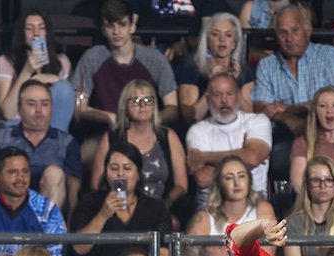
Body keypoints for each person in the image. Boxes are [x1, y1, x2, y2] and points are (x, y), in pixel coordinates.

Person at [68, 142, 172, 256]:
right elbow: (78, 249)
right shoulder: (90, 202)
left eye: (127, 168)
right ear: (106, 173)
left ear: (138, 174)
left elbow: (164, 254)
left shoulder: (156, 208)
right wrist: (103, 215)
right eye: (114, 168)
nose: (120, 174)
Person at [72, 0, 179, 129]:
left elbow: (172, 108)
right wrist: (108, 117)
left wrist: (150, 121)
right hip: (104, 131)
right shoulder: (92, 58)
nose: (116, 31)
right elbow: (80, 107)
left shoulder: (155, 60)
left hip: (148, 130)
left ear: (132, 26)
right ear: (103, 29)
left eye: (122, 24)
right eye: (110, 26)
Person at [91, 79, 188, 213]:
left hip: (161, 208)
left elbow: (181, 185)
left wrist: (166, 204)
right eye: (136, 101)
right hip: (121, 208)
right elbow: (97, 184)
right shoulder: (111, 138)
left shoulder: (168, 136)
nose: (142, 105)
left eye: (148, 100)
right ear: (125, 106)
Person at [0, 80, 82, 213]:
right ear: (19, 109)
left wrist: (73, 228)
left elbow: (73, 191)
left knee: (54, 173)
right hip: (9, 204)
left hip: (49, 204)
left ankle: (46, 230)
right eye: (31, 104)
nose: (38, 110)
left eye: (44, 104)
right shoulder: (0, 139)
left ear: (51, 108)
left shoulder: (67, 143)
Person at [251, 5, 334, 137]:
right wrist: (289, 119)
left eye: (295, 31)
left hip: (326, 133)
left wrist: (286, 109)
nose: (289, 39)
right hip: (285, 135)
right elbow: (262, 109)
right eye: (283, 32)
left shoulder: (328, 55)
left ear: (308, 31)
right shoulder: (267, 65)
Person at [183, 156, 276, 256]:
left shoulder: (263, 210)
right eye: (229, 177)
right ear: (219, 184)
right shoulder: (203, 219)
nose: (237, 183)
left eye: (241, 176)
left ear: (249, 180)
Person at [185, 73, 272, 210]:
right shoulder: (197, 131)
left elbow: (253, 157)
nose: (224, 100)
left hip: (253, 205)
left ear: (238, 97)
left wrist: (204, 157)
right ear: (208, 100)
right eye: (217, 95)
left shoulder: (257, 121)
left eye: (229, 94)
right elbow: (203, 178)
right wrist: (244, 158)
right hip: (211, 207)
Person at [0, 10, 75, 131]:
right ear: (22, 33)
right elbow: (8, 113)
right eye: (29, 29)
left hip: (51, 128)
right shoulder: (6, 61)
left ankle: (54, 142)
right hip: (16, 126)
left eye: (41, 28)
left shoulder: (62, 62)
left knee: (63, 87)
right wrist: (26, 70)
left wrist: (56, 80)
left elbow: (66, 104)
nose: (36, 34)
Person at [178, 12, 254, 125]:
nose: (222, 39)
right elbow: (191, 118)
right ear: (208, 40)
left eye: (228, 35)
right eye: (215, 34)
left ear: (234, 43)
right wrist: (212, 83)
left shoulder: (244, 70)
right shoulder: (193, 68)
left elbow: (250, 115)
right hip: (204, 130)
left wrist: (233, 84)